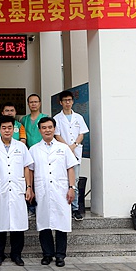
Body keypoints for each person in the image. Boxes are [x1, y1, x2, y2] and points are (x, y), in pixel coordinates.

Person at [28, 117, 79, 267]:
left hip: (61, 190)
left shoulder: (63, 148)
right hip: (42, 190)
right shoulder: (34, 149)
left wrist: (71, 187)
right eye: (44, 128)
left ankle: (60, 255)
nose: (47, 130)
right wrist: (30, 188)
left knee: (61, 223)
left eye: (50, 127)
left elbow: (70, 168)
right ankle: (47, 254)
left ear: (54, 129)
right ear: (39, 130)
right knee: (44, 223)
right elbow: (30, 171)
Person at [0, 115, 34, 267]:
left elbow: (27, 167)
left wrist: (29, 187)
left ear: (14, 129)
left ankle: (16, 255)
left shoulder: (21, 146)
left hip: (18, 189)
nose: (7, 130)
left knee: (18, 225)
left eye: (9, 128)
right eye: (4, 128)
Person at [53, 90, 89, 221]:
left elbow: (81, 134)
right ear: (61, 103)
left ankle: (75, 208)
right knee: (62, 179)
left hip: (75, 151)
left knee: (75, 180)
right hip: (62, 151)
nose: (67, 103)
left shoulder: (78, 117)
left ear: (72, 102)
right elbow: (57, 135)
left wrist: (73, 146)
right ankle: (63, 207)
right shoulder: (57, 118)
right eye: (65, 100)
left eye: (69, 100)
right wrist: (67, 148)